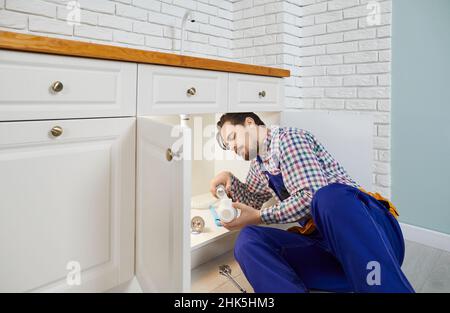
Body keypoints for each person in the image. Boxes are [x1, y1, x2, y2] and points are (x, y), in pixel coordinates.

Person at [210, 112, 414, 293]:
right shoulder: (259, 165)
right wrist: (230, 180)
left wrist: (260, 216)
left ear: (249, 122)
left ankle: (383, 285)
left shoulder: (289, 139)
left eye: (233, 137)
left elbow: (310, 197)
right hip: (337, 258)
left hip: (371, 239)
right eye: (228, 146)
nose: (233, 147)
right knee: (248, 240)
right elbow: (252, 202)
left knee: (327, 197)